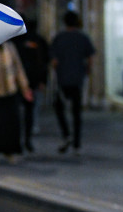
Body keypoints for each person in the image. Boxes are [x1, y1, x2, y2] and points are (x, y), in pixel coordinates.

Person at [49, 10, 96, 153]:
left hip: (62, 79)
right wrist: (87, 71)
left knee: (59, 107)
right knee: (76, 112)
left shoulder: (59, 38)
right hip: (77, 78)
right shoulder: (83, 38)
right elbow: (90, 58)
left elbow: (54, 61)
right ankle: (77, 143)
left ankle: (66, 134)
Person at [14, 20, 50, 152]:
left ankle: (23, 139)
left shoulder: (17, 42)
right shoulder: (38, 40)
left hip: (22, 83)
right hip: (31, 82)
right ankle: (26, 140)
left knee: (21, 113)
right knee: (29, 112)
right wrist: (42, 80)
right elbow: (44, 62)